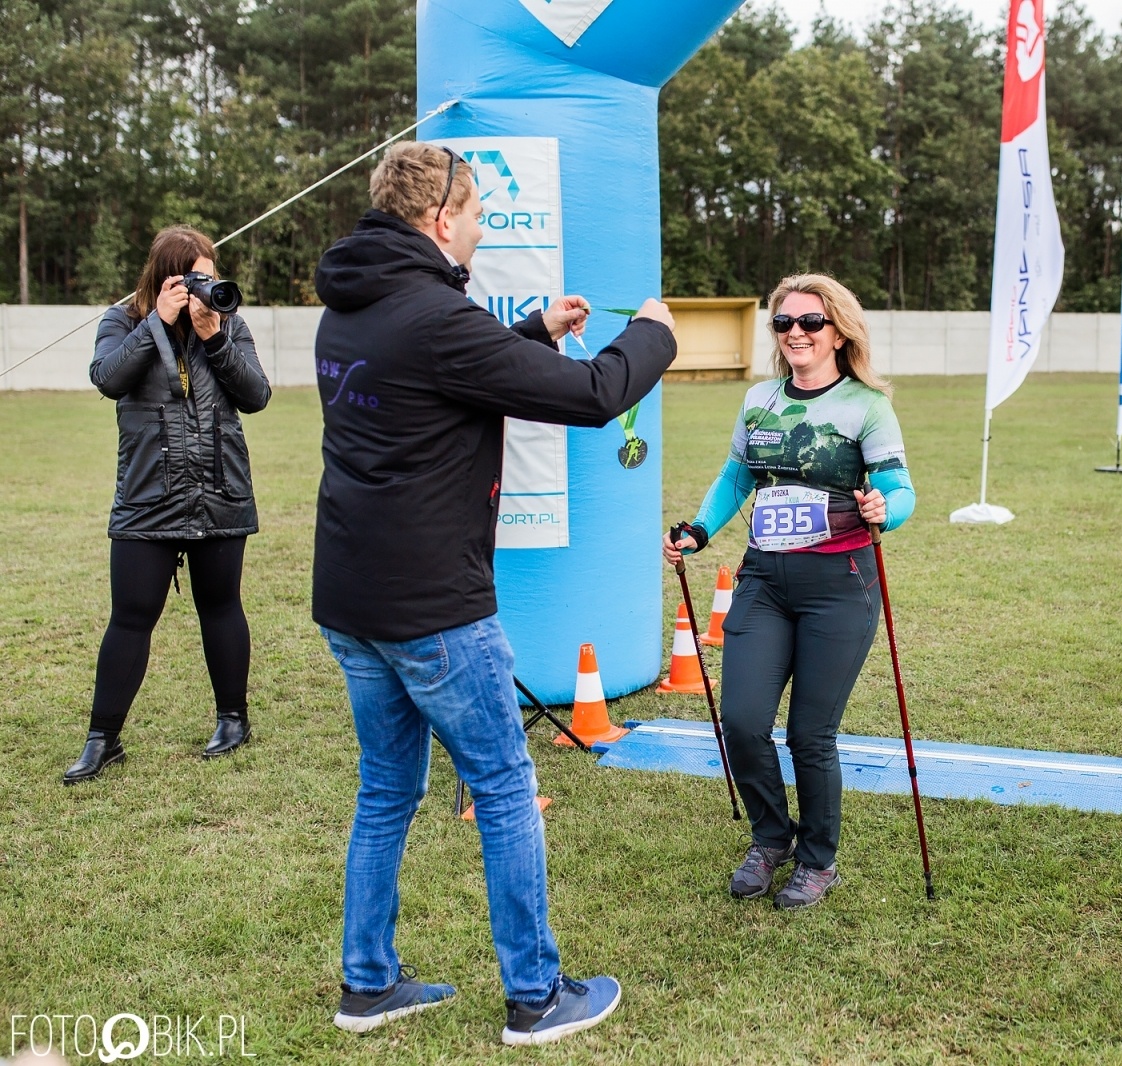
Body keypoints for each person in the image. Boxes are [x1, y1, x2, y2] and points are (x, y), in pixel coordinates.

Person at [312, 142, 677, 1045]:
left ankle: (368, 986)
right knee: (507, 785)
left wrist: (533, 335)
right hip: (433, 609)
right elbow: (596, 395)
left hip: (353, 602)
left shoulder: (354, 308)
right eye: (474, 216)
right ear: (441, 221)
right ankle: (535, 996)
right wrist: (655, 337)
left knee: (386, 792)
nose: (479, 230)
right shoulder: (435, 316)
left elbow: (440, 380)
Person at [663, 273, 915, 911]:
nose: (796, 332)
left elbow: (900, 489)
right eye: (784, 322)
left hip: (840, 583)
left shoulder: (867, 405)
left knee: (810, 734)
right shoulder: (760, 401)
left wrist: (885, 507)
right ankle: (770, 837)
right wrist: (697, 529)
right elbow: (736, 475)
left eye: (810, 322)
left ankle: (816, 859)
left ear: (838, 332)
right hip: (765, 581)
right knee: (744, 722)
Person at [70, 226, 272, 784]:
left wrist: (215, 339)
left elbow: (256, 395)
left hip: (218, 487)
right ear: (166, 277)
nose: (207, 286)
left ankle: (234, 719)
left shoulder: (227, 322)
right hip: (147, 494)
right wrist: (157, 322)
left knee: (222, 606)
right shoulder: (123, 320)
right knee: (131, 618)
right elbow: (108, 380)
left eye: (212, 274)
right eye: (196, 276)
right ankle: (102, 739)